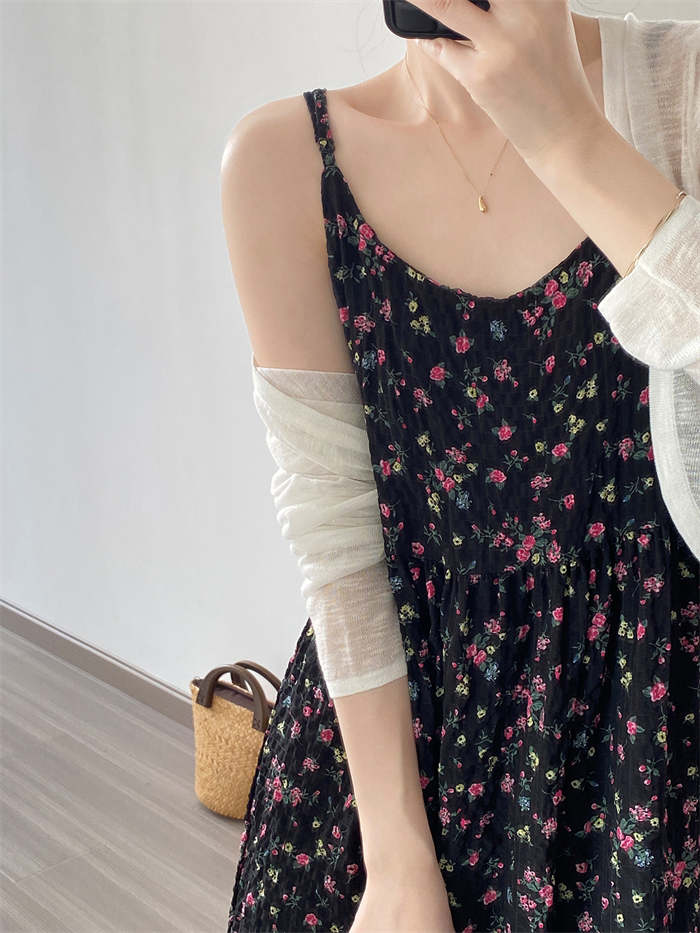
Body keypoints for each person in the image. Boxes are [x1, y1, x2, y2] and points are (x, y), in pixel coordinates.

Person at [220, 3, 700, 931]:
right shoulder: (284, 164)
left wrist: (564, 133)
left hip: (648, 754)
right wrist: (397, 859)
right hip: (395, 761)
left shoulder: (682, 84)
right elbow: (337, 534)